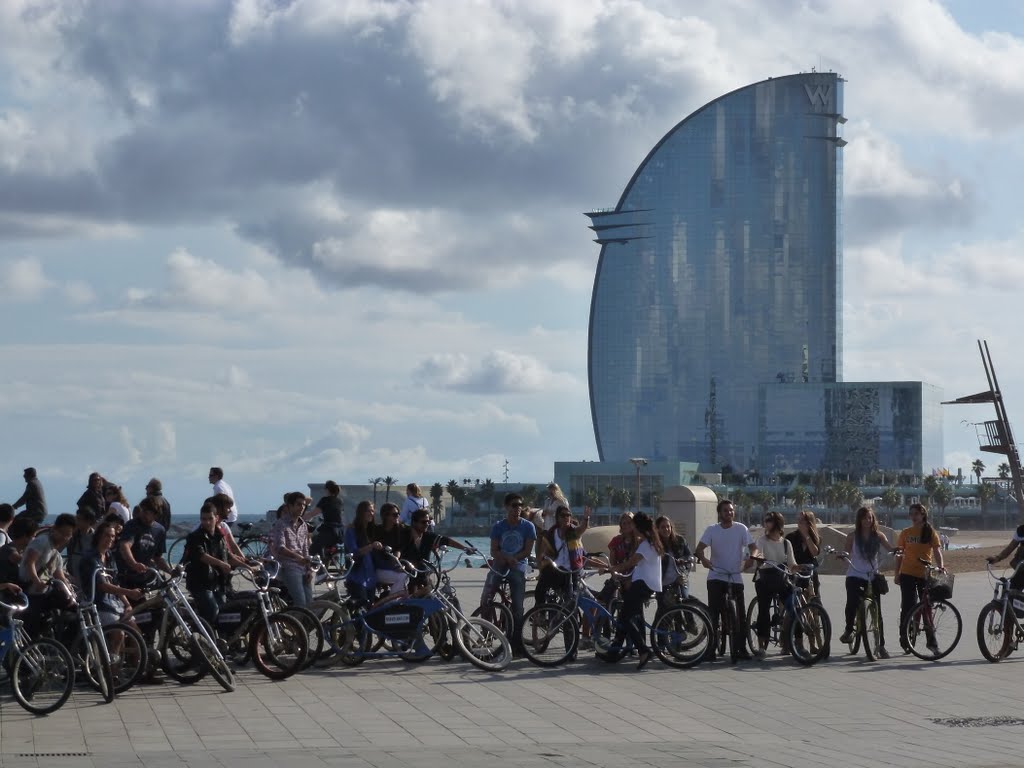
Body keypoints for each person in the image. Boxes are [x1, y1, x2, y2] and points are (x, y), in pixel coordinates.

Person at [695, 498, 758, 661]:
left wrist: (752, 558)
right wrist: (703, 559)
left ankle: (741, 649)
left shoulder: (741, 529)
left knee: (741, 615)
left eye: (731, 510)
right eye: (725, 511)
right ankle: (711, 650)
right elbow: (699, 549)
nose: (729, 513)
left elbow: (753, 547)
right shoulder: (712, 529)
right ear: (719, 513)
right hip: (716, 575)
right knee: (713, 614)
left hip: (735, 576)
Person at [604, 512, 663, 670]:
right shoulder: (649, 542)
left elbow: (630, 562)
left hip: (643, 584)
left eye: (634, 526)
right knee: (628, 616)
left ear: (639, 527)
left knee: (626, 616)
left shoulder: (646, 545)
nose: (632, 529)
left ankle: (643, 650)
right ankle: (615, 651)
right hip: (643, 582)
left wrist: (612, 569)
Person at [839, 506, 898, 658]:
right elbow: (846, 552)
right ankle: (849, 629)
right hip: (855, 574)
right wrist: (843, 556)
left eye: (870, 517)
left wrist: (897, 550)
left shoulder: (878, 535)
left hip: (872, 576)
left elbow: (889, 548)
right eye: (865, 517)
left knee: (877, 612)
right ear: (859, 519)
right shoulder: (852, 536)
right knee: (851, 601)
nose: (868, 520)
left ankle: (881, 646)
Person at [185, 501, 252, 625]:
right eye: (203, 519)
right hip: (200, 584)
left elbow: (228, 556)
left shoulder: (219, 536)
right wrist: (221, 564)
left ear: (216, 518)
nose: (207, 522)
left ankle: (224, 639)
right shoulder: (195, 537)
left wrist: (248, 567)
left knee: (227, 612)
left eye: (210, 518)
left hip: (217, 583)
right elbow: (202, 556)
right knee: (213, 612)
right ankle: (206, 640)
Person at [486, 493, 536, 653]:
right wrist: (506, 557)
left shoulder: (528, 527)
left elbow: (527, 551)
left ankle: (517, 642)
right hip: (500, 562)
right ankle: (485, 634)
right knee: (486, 597)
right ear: (506, 507)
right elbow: (494, 551)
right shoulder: (499, 526)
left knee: (517, 606)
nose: (518, 508)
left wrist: (514, 558)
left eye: (520, 505)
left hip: (518, 564)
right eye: (514, 505)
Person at [894, 502, 944, 655]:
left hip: (925, 574)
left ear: (923, 514)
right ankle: (905, 637)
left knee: (926, 608)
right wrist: (897, 573)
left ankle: (932, 643)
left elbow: (936, 551)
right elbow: (899, 555)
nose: (913, 517)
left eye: (916, 513)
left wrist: (941, 566)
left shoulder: (930, 532)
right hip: (907, 573)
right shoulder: (905, 533)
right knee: (908, 605)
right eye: (911, 514)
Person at [751, 510, 797, 658]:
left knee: (793, 608)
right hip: (764, 578)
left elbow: (792, 564)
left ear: (777, 523)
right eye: (765, 520)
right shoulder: (762, 540)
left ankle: (792, 642)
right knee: (764, 611)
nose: (766, 523)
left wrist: (800, 567)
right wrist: (758, 557)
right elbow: (758, 553)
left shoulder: (786, 543)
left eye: (769, 520)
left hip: (781, 579)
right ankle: (761, 646)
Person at [79, 522, 143, 625]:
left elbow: (115, 583)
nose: (111, 538)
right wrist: (130, 592)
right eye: (107, 535)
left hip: (114, 603)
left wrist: (127, 604)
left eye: (113, 536)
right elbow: (103, 586)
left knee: (134, 628)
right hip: (99, 604)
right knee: (118, 633)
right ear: (99, 536)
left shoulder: (109, 556)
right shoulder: (90, 558)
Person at [534, 505, 591, 604]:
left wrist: (586, 518)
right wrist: (541, 568)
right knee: (540, 588)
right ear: (558, 518)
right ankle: (540, 614)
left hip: (571, 571)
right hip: (557, 569)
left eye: (568, 515)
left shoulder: (572, 532)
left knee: (570, 599)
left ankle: (569, 617)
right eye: (563, 515)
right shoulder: (552, 533)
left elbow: (582, 528)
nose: (566, 517)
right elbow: (545, 554)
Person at [271, 491, 314, 608]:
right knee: (300, 602)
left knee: (310, 603)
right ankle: (294, 625)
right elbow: (280, 547)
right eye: (299, 504)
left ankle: (303, 625)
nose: (302, 507)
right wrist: (297, 557)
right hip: (289, 566)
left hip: (303, 567)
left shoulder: (303, 525)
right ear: (289, 506)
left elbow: (305, 548)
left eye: (304, 505)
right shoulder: (281, 524)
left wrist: (309, 568)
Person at [117, 496, 171, 589]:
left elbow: (157, 557)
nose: (142, 514)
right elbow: (125, 545)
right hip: (126, 576)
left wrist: (170, 571)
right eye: (142, 510)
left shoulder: (160, 530)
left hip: (144, 577)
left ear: (155, 515)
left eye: (146, 512)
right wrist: (134, 564)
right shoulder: (132, 525)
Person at [596, 511, 637, 605]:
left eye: (629, 522)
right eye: (624, 523)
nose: (627, 525)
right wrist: (612, 571)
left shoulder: (639, 542)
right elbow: (613, 563)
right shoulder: (616, 541)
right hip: (618, 577)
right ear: (621, 526)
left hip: (634, 579)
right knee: (605, 602)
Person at [372, 502, 412, 597]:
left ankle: (392, 599)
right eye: (394, 514)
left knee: (407, 575)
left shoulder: (400, 530)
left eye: (398, 514)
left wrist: (397, 561)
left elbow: (399, 549)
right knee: (403, 577)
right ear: (385, 516)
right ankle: (390, 602)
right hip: (379, 567)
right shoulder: (377, 530)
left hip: (393, 566)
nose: (397, 516)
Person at [344, 500, 379, 605]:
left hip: (370, 578)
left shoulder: (371, 530)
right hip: (357, 577)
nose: (371, 513)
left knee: (370, 610)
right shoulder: (351, 530)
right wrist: (371, 546)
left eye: (372, 511)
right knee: (360, 608)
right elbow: (354, 552)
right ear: (361, 512)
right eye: (368, 511)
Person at [655, 515, 693, 602]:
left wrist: (684, 560)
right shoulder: (655, 544)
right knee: (663, 608)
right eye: (663, 527)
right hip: (662, 581)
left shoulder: (680, 540)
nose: (666, 529)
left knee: (685, 601)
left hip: (680, 578)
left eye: (668, 526)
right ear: (657, 529)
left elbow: (689, 556)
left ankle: (689, 614)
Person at [786, 510, 821, 594]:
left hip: (810, 572)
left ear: (809, 523)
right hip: (796, 570)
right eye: (799, 520)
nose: (799, 522)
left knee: (815, 599)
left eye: (802, 520)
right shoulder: (791, 537)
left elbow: (814, 553)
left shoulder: (815, 538)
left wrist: (807, 536)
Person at [307, 480, 345, 558]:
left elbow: (313, 513)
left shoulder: (325, 500)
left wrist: (299, 518)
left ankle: (314, 568)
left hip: (329, 530)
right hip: (339, 532)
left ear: (327, 489)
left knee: (312, 550)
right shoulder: (340, 501)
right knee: (326, 553)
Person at [66, 506, 98, 587]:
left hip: (89, 578)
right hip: (74, 578)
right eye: (76, 518)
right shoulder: (73, 536)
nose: (76, 522)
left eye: (79, 519)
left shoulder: (96, 538)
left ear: (89, 521)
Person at [986, 523, 1024, 590]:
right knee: (1013, 588)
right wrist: (997, 558)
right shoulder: (1021, 530)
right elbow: (1010, 547)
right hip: (1021, 567)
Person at [0, 518, 37, 586]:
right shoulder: (7, 549)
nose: (35, 539)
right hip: (7, 590)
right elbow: (19, 559)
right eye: (34, 536)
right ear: (25, 536)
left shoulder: (21, 551)